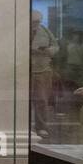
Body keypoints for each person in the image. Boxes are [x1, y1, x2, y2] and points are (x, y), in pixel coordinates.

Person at [30, 10, 59, 138]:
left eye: (38, 21)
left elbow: (55, 46)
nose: (36, 24)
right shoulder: (20, 29)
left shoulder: (44, 30)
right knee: (22, 100)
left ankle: (41, 126)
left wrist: (48, 50)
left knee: (41, 99)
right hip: (23, 70)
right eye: (34, 22)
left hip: (42, 69)